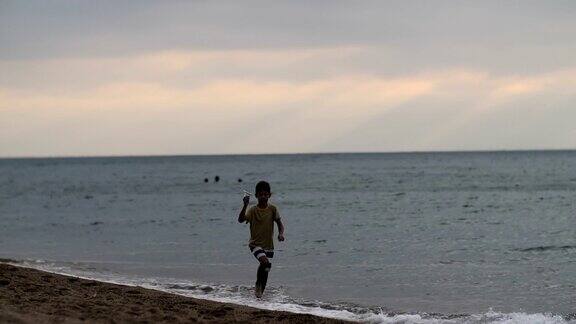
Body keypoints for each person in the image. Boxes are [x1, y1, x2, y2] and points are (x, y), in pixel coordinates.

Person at [237, 181, 285, 298]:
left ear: (269, 195)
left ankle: (260, 292)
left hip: (268, 245)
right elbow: (241, 220)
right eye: (260, 195)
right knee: (265, 262)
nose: (263, 197)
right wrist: (245, 205)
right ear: (256, 195)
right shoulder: (253, 210)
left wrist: (280, 234)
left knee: (266, 267)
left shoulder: (273, 209)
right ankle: (258, 286)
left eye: (265, 194)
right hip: (255, 244)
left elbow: (280, 224)